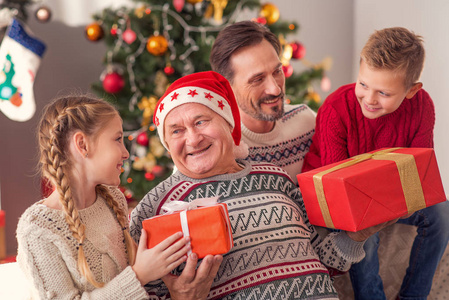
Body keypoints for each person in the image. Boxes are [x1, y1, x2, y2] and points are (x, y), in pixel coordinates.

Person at [129, 71, 396, 300]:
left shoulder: (276, 177)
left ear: (228, 124)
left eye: (201, 121)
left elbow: (324, 261)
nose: (193, 138)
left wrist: (355, 238)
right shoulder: (155, 208)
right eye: (176, 130)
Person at [302, 27, 449, 300]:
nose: (369, 99)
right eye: (363, 84)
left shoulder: (422, 106)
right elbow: (338, 190)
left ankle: (414, 295)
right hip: (339, 198)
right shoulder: (336, 108)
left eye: (383, 93)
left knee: (442, 214)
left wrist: (389, 200)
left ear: (411, 91)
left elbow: (417, 168)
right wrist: (376, 210)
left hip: (386, 189)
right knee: (364, 233)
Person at [16, 95, 191, 299]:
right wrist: (139, 275)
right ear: (82, 145)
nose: (126, 153)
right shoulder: (37, 230)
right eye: (118, 139)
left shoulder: (113, 200)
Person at [210, 20, 316, 184]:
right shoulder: (215, 148)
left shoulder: (308, 122)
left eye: (277, 71)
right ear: (227, 88)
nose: (275, 89)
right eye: (257, 80)